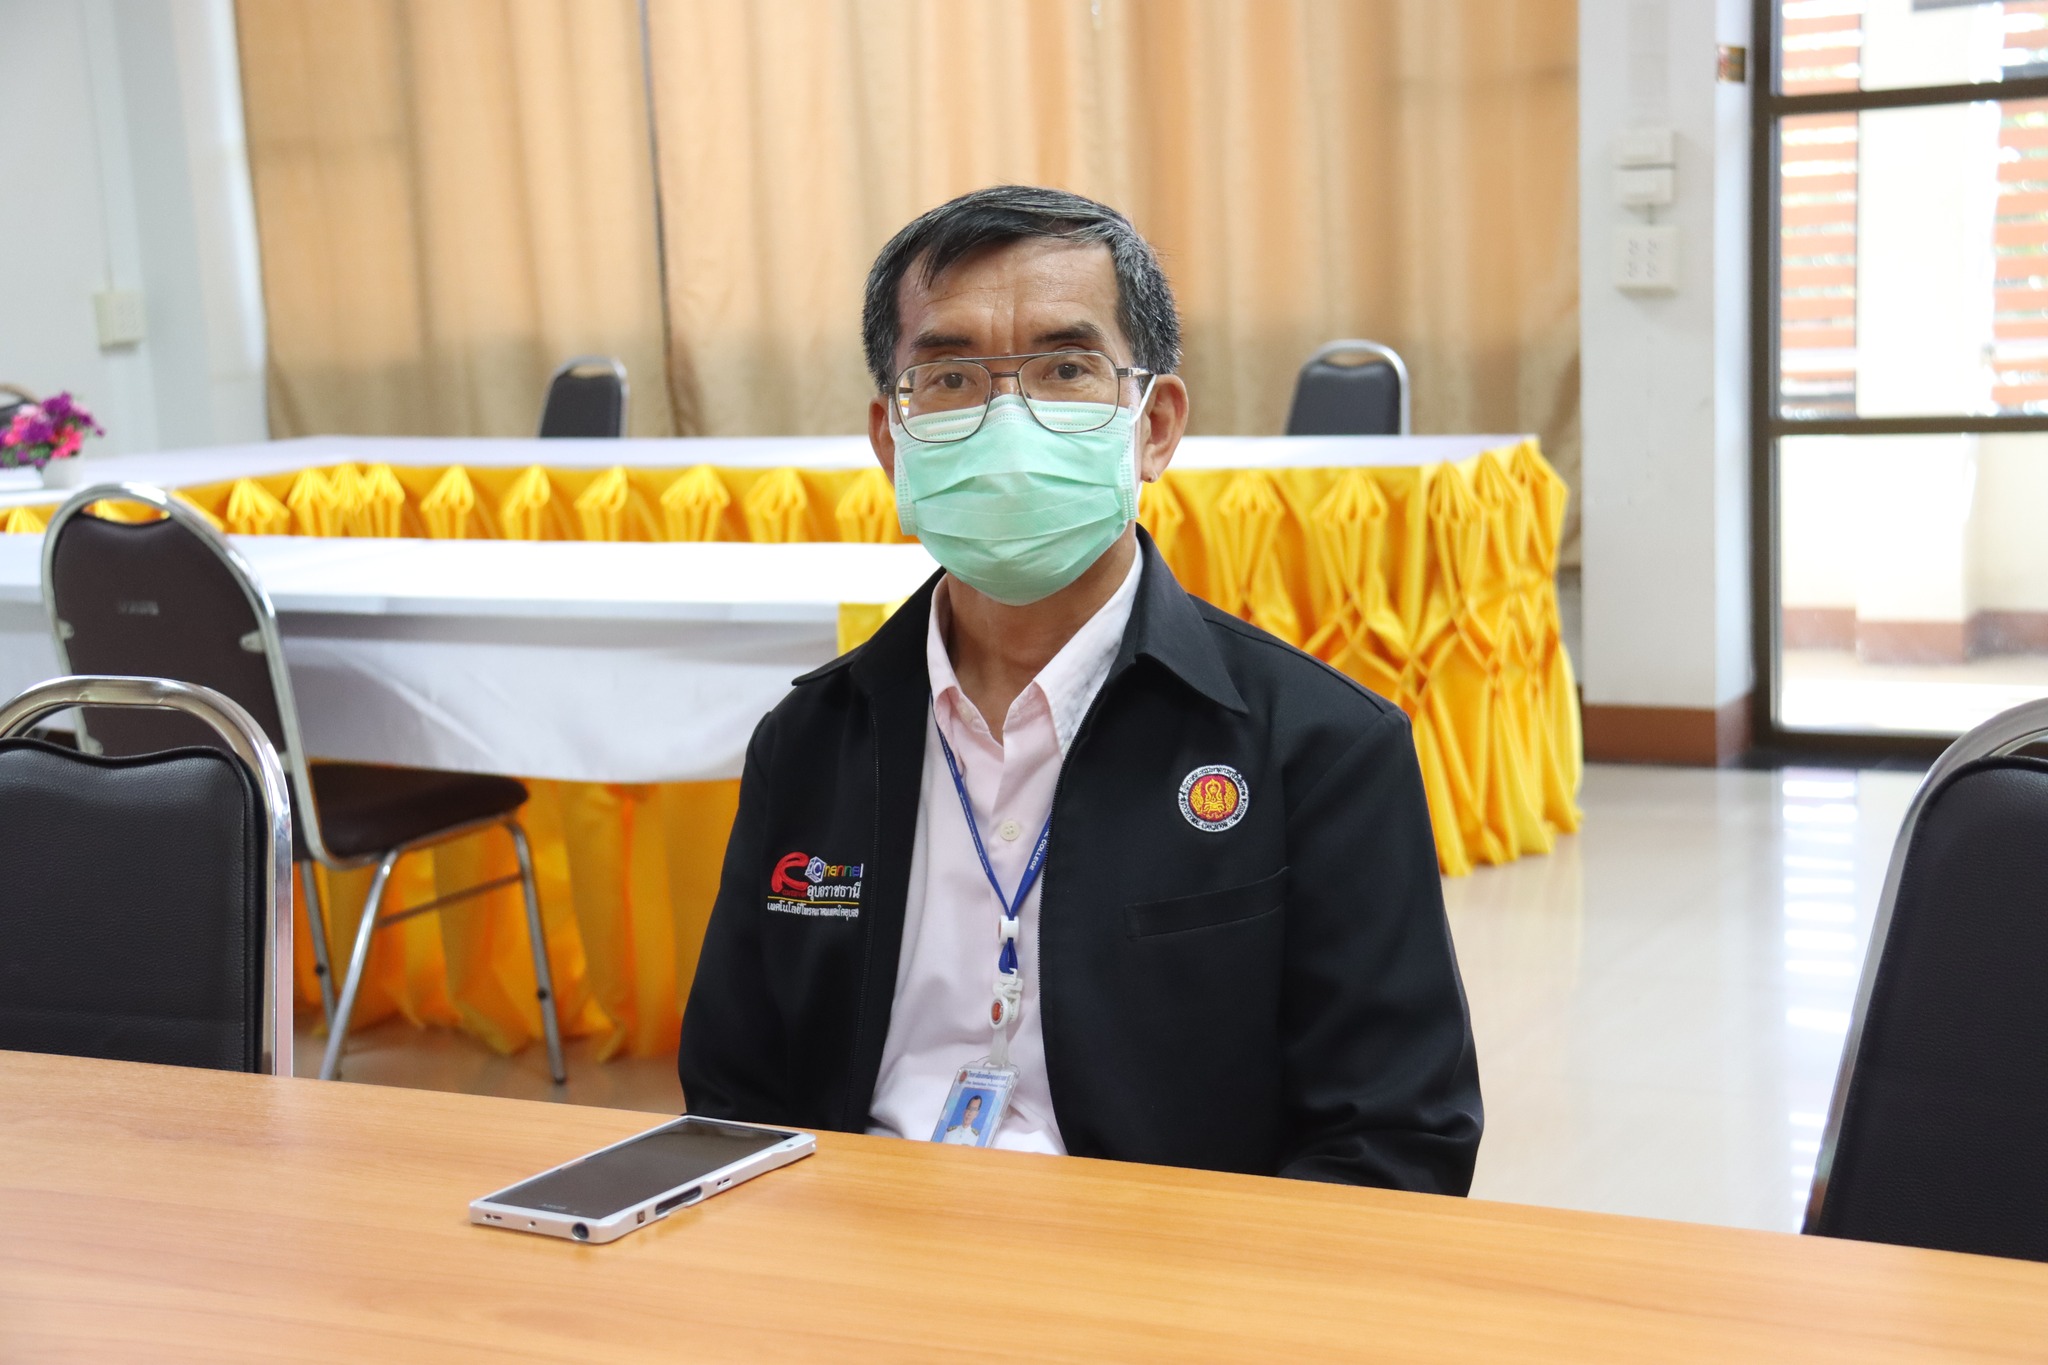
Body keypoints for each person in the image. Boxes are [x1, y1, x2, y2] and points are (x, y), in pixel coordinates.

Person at [678, 185, 1482, 1192]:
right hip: (857, 1240)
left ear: (1155, 426)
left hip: (1165, 1262)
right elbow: (731, 1094)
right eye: (951, 376)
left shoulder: (1319, 749)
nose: (1007, 420)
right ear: (890, 441)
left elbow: (1396, 1140)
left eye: (1064, 369)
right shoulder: (808, 740)